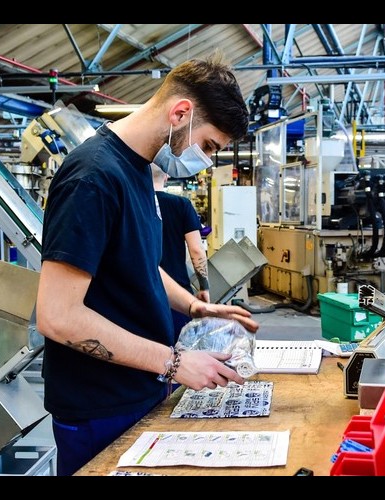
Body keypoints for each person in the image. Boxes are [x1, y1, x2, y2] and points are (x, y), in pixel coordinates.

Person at [35, 52, 258, 476]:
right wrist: (173, 362)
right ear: (180, 113)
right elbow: (57, 316)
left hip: (140, 390)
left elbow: (138, 260)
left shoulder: (137, 170)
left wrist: (195, 307)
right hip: (100, 405)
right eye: (208, 145)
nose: (206, 159)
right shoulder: (93, 177)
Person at [151, 165, 211, 338]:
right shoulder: (181, 205)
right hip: (178, 294)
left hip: (144, 292)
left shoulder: (135, 203)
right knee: (180, 351)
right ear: (167, 176)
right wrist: (204, 287)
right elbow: (197, 250)